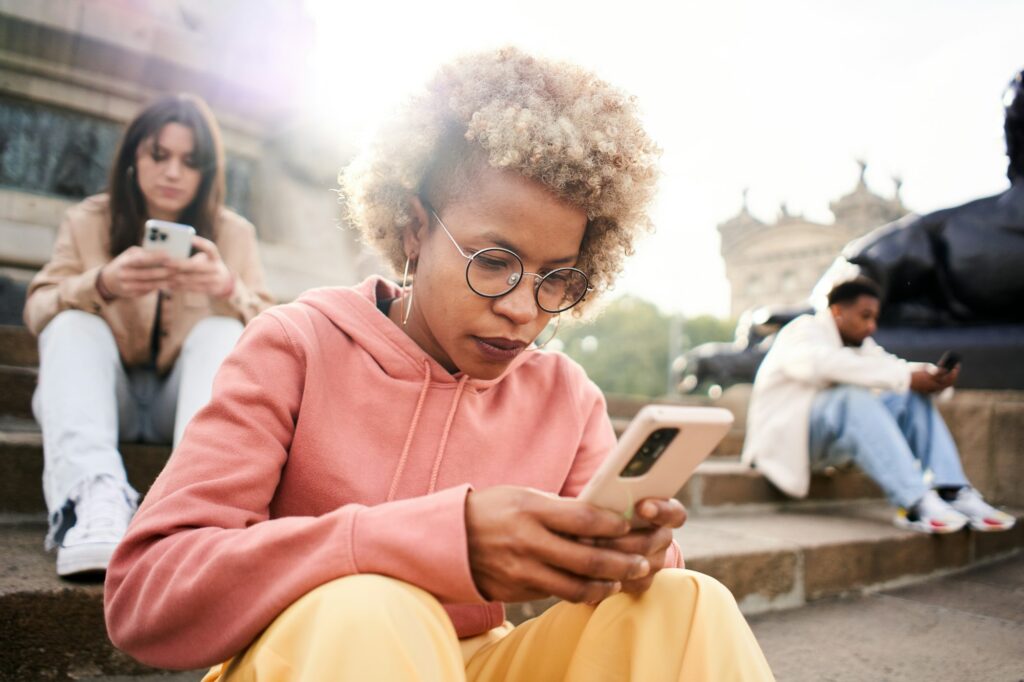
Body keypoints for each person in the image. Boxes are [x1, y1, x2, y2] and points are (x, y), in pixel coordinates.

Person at [103, 48, 774, 681]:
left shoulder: (564, 396)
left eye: (556, 278)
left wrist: (637, 556)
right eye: (494, 262)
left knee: (687, 603)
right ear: (415, 229)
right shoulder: (296, 344)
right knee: (371, 607)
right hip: (306, 653)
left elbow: (624, 596)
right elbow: (145, 590)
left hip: (473, 662)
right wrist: (424, 540)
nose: (522, 309)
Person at [23, 93, 274, 578]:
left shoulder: (233, 234)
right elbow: (37, 310)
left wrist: (228, 288)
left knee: (223, 329)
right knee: (72, 323)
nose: (173, 172)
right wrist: (102, 283)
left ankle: (196, 506)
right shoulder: (87, 221)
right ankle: (90, 500)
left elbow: (275, 329)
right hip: (104, 395)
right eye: (159, 155)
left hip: (178, 406)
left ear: (207, 172)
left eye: (189, 161)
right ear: (133, 158)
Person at [743, 277, 1015, 534]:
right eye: (865, 316)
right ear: (837, 311)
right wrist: (905, 377)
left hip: (827, 446)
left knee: (907, 394)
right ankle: (914, 502)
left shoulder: (862, 345)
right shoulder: (802, 330)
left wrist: (932, 378)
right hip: (786, 442)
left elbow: (893, 368)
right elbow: (821, 365)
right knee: (854, 397)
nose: (872, 326)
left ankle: (951, 489)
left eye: (875, 318)